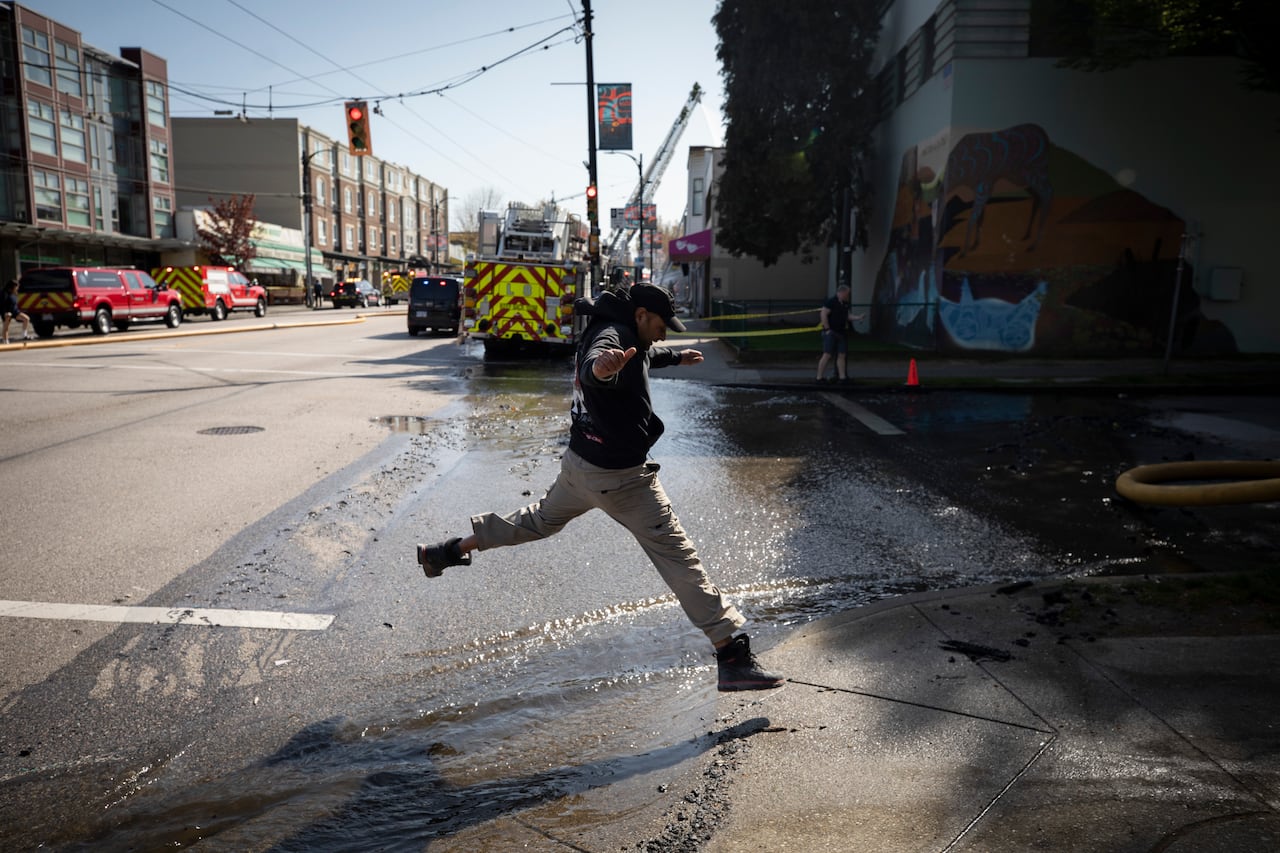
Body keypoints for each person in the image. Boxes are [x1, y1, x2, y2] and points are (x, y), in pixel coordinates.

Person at [417, 283, 784, 693]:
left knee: (537, 520)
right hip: (622, 480)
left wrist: (674, 356)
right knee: (680, 561)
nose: (664, 334)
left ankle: (448, 550)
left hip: (579, 466)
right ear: (641, 316)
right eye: (662, 326)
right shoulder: (613, 339)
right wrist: (600, 369)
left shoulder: (613, 328)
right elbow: (601, 362)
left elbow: (639, 354)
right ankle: (732, 657)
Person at [816, 284, 865, 384]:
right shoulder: (831, 302)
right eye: (846, 294)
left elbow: (848, 316)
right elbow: (823, 313)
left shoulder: (845, 304)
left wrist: (858, 318)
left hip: (841, 332)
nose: (847, 296)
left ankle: (842, 378)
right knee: (827, 354)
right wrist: (827, 329)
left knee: (841, 354)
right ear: (841, 292)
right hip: (831, 332)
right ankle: (819, 377)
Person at [3, 280, 33, 345]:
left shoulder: (14, 293)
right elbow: (2, 303)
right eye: (16, 287)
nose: (17, 288)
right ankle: (6, 341)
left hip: (15, 311)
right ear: (12, 286)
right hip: (8, 312)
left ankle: (24, 335)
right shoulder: (4, 293)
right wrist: (5, 312)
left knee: (26, 318)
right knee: (6, 327)